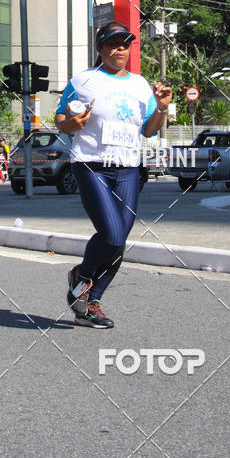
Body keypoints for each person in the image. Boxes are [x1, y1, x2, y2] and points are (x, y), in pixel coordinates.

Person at [55, 21, 171, 329]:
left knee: (119, 242)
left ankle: (91, 303)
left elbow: (148, 130)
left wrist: (160, 108)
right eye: (113, 44)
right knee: (113, 234)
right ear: (100, 49)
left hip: (128, 167)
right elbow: (61, 118)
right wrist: (71, 125)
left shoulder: (140, 84)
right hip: (91, 163)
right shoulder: (83, 80)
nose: (120, 49)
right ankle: (80, 276)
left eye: (125, 44)